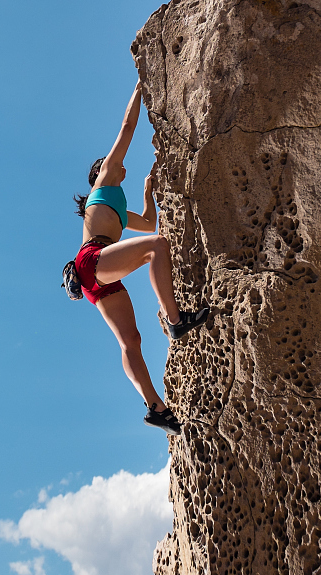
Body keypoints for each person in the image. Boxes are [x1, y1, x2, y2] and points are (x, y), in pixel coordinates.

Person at [72, 78, 208, 436]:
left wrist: (148, 191)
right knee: (158, 247)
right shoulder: (103, 185)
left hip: (98, 273)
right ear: (103, 170)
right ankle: (176, 319)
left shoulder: (115, 202)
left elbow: (148, 222)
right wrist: (140, 86)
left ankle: (156, 408)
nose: (120, 166)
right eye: (113, 164)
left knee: (131, 340)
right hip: (93, 260)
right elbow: (127, 127)